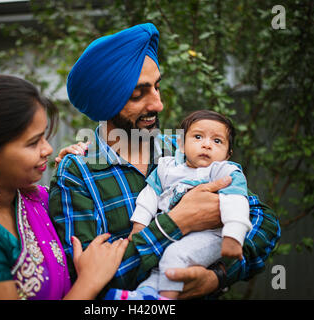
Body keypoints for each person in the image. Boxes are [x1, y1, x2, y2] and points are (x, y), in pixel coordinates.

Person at [50, 23, 281, 299]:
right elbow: (86, 282)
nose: (157, 104)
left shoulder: (181, 150)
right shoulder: (77, 174)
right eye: (139, 94)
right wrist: (176, 223)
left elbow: (264, 223)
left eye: (157, 87)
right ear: (105, 103)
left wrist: (216, 276)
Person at [0, 75, 128, 300]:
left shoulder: (32, 200)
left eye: (45, 137)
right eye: (33, 142)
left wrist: (72, 174)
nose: (47, 149)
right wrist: (89, 282)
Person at [107, 110, 252, 300]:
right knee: (159, 264)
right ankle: (145, 294)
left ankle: (166, 299)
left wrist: (233, 236)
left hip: (210, 235)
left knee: (174, 256)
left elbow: (237, 201)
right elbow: (149, 195)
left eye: (217, 141)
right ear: (182, 145)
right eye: (198, 137)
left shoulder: (223, 171)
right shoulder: (168, 168)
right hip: (176, 233)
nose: (207, 145)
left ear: (228, 154)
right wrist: (139, 225)